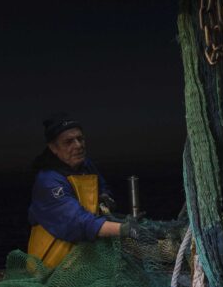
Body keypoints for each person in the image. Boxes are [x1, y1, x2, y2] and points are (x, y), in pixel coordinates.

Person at [27, 112, 147, 267]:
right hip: (53, 264)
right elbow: (76, 222)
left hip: (83, 254)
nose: (78, 145)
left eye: (80, 138)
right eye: (68, 142)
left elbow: (102, 186)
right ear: (53, 148)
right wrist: (125, 229)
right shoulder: (48, 180)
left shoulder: (86, 165)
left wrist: (105, 198)